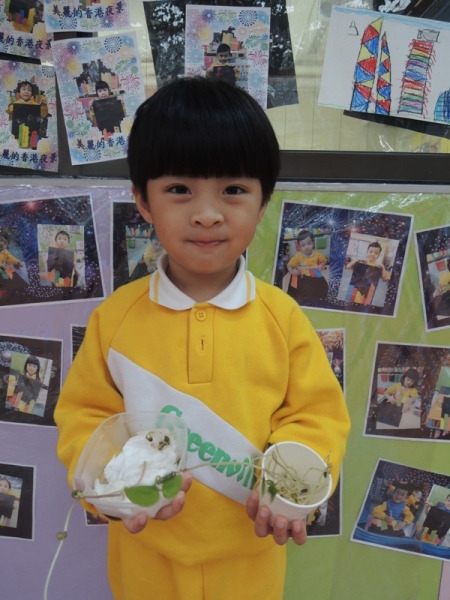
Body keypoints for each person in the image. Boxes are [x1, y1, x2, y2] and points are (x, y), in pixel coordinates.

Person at [54, 77, 350, 600]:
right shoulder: (115, 319)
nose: (207, 213)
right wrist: (111, 487)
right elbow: (85, 419)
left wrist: (295, 477)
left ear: (263, 203)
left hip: (250, 558)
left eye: (233, 190)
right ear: (143, 201)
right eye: (179, 190)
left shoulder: (282, 318)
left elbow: (318, 416)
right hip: (147, 556)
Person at [345, 240, 391, 304]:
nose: (373, 254)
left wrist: (383, 267)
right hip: (354, 290)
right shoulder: (360, 262)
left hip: (368, 293)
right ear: (367, 252)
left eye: (376, 253)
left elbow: (385, 278)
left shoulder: (379, 266)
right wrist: (356, 260)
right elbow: (348, 267)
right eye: (371, 251)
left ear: (378, 255)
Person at [286, 230, 328, 300]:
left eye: (309, 243)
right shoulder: (298, 256)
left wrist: (322, 264)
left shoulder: (317, 254)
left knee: (321, 287)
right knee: (299, 289)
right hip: (302, 275)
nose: (307, 247)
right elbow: (289, 265)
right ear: (299, 247)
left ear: (313, 243)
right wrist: (292, 270)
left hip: (314, 274)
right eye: (303, 245)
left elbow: (324, 260)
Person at [6, 80, 49, 147]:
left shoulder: (36, 105)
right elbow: (9, 117)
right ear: (19, 92)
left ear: (32, 93)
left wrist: (44, 105)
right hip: (17, 135)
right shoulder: (15, 104)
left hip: (32, 136)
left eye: (29, 90)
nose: (26, 92)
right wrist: (10, 108)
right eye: (23, 89)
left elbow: (43, 115)